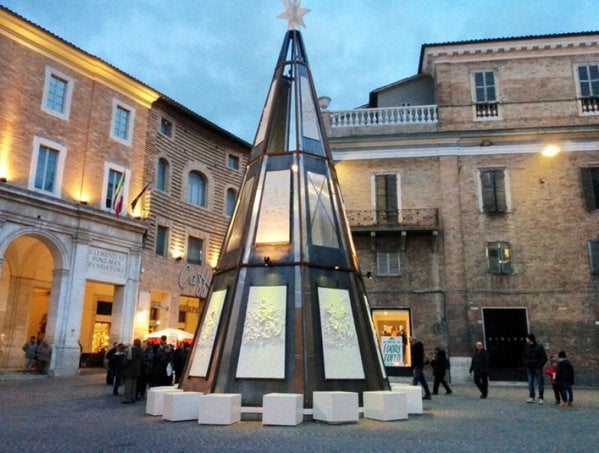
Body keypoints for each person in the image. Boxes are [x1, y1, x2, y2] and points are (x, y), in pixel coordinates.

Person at [523, 333, 547, 404]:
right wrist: (526, 363)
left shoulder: (539, 347)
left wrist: (539, 366)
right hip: (530, 367)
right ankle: (531, 397)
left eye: (527, 338)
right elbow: (524, 356)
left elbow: (544, 358)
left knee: (540, 383)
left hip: (537, 368)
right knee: (530, 383)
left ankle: (541, 397)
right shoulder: (526, 347)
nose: (526, 339)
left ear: (530, 339)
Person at [122, 339, 143, 404]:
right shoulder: (141, 350)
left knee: (128, 384)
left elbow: (126, 360)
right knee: (134, 384)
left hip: (129, 369)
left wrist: (123, 364)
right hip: (137, 369)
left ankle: (127, 398)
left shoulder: (131, 350)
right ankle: (133, 397)